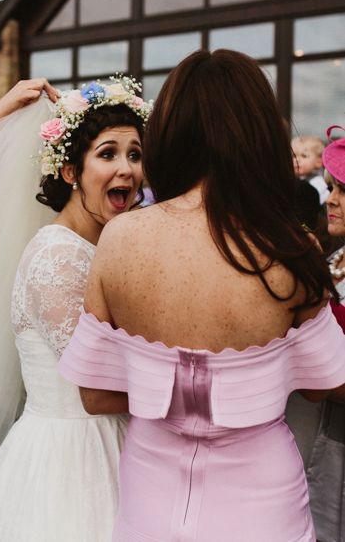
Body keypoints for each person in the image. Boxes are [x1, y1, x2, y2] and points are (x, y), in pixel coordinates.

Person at [59, 50, 345, 541]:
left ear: (169, 132)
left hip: (151, 493)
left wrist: (170, 390)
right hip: (262, 503)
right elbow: (325, 383)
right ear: (260, 136)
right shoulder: (289, 248)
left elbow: (96, 392)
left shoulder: (121, 240)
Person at [0, 77, 150, 541]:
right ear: (69, 172)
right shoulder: (57, 258)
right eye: (107, 154)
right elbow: (98, 380)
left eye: (135, 154)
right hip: (73, 459)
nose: (127, 169)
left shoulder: (107, 244)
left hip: (123, 443)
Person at [288, 126, 345, 542]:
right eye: (330, 188)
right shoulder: (333, 256)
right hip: (321, 432)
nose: (332, 201)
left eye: (342, 191)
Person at [293, 134, 329, 203]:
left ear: (319, 162)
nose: (296, 160)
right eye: (293, 155)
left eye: (304, 156)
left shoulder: (319, 183)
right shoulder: (291, 179)